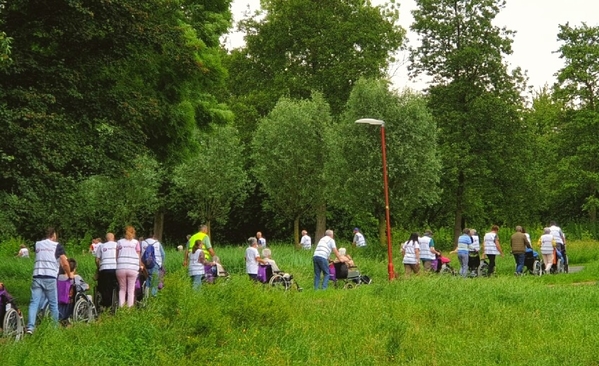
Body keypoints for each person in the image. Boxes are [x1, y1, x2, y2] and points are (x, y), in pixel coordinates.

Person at [26, 227, 73, 335]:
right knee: (53, 304)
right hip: (50, 277)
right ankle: (54, 328)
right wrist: (69, 275)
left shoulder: (37, 244)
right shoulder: (57, 246)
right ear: (53, 235)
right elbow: (65, 263)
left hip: (37, 276)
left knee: (34, 303)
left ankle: (30, 327)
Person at [116, 226, 141, 308]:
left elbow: (116, 256)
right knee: (131, 290)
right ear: (134, 233)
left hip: (121, 267)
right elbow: (138, 256)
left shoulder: (119, 242)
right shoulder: (136, 242)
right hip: (133, 268)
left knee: (122, 289)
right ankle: (129, 309)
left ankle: (121, 307)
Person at [95, 233, 118, 308]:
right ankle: (117, 300)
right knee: (116, 284)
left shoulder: (102, 246)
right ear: (114, 238)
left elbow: (97, 260)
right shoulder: (117, 245)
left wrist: (99, 267)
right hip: (115, 267)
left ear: (106, 239)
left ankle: (105, 303)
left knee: (104, 285)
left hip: (104, 268)